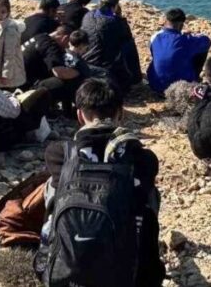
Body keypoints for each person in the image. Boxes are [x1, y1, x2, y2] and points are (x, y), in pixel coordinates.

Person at [40, 79, 165, 286]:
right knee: (149, 195)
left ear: (80, 115)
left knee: (52, 187)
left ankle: (52, 252)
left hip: (68, 272)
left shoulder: (58, 153)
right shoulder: (143, 158)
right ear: (120, 113)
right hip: (131, 275)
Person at [81, 0, 141, 95]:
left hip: (86, 59)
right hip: (105, 64)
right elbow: (126, 40)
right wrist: (119, 17)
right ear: (115, 5)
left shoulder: (88, 15)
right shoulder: (115, 22)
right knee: (129, 45)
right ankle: (135, 78)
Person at [146, 8, 211, 95]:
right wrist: (192, 35)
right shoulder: (187, 40)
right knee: (200, 49)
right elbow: (207, 41)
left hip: (156, 85)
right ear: (181, 25)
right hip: (182, 88)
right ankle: (195, 78)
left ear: (166, 21)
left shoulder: (155, 37)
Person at [0, 0, 26, 88]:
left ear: (8, 13)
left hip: (10, 73)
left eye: (3, 12)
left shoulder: (9, 30)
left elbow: (9, 54)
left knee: (8, 91)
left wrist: (6, 75)